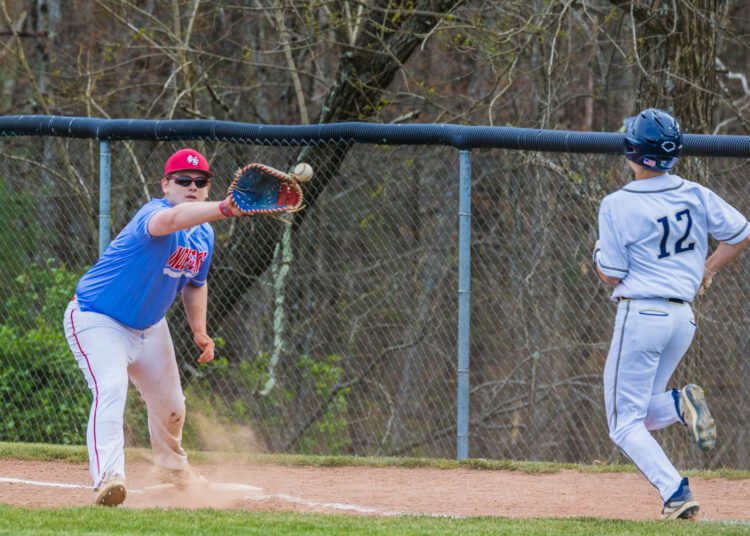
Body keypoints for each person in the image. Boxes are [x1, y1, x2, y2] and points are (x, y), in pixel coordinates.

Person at [593, 108, 750, 520]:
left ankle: (675, 492)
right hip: (683, 318)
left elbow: (611, 274)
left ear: (632, 150)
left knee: (623, 424)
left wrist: (597, 253)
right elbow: (740, 233)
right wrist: (707, 270)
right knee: (642, 413)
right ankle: (679, 404)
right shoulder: (695, 193)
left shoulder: (617, 203)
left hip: (642, 315)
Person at [63, 148, 241, 506]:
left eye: (201, 181)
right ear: (165, 185)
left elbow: (196, 282)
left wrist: (199, 330)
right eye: (184, 180)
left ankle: (171, 467)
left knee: (171, 406)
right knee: (111, 388)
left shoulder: (204, 235)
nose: (193, 186)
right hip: (98, 319)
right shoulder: (154, 213)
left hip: (149, 326)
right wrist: (225, 207)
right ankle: (108, 478)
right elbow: (171, 221)